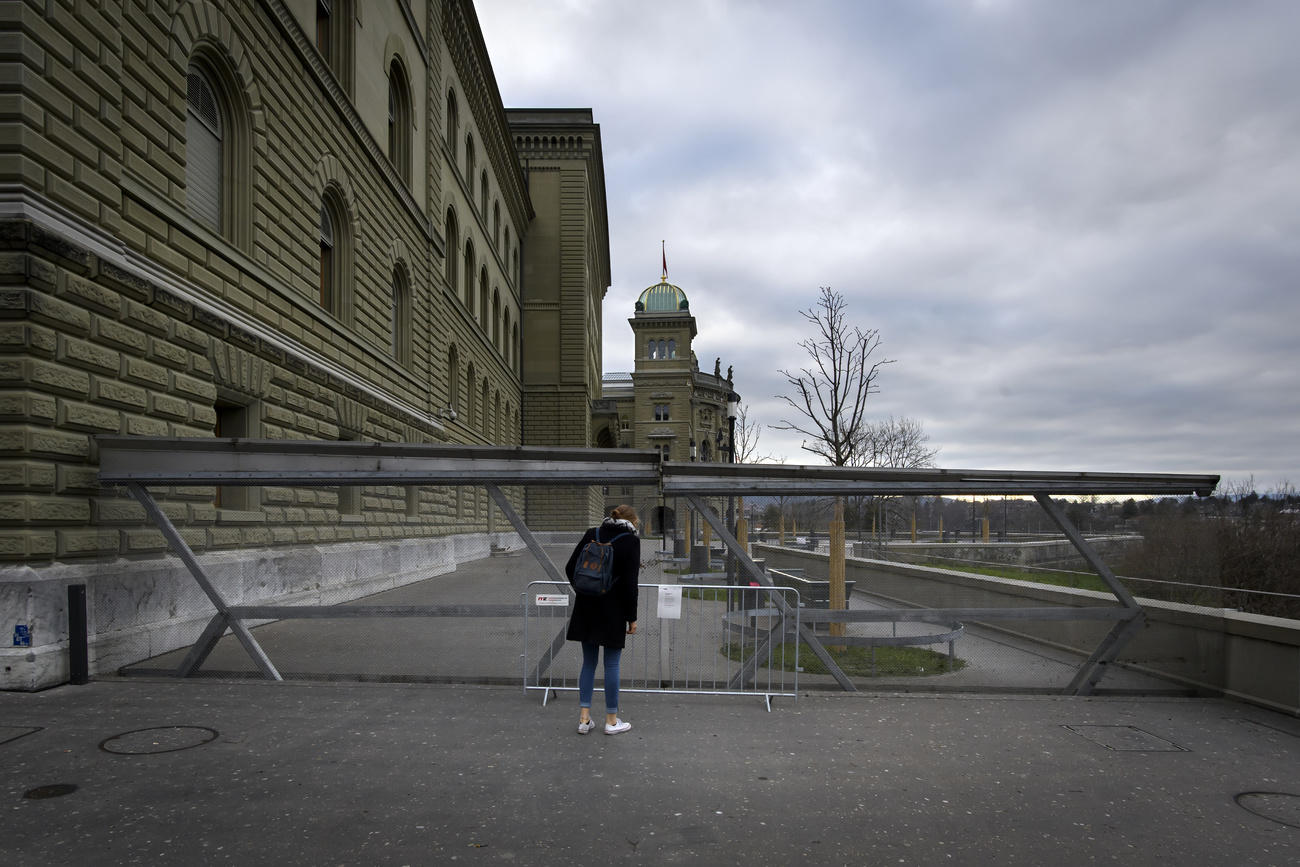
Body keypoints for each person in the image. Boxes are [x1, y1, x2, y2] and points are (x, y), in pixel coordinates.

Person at [564, 504, 641, 735]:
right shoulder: (630, 542)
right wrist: (632, 618)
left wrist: (586, 589)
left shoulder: (592, 534)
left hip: (586, 606)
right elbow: (630, 584)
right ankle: (611, 720)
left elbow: (570, 568)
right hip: (613, 610)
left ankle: (584, 719)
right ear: (632, 522)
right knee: (612, 664)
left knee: (588, 663)